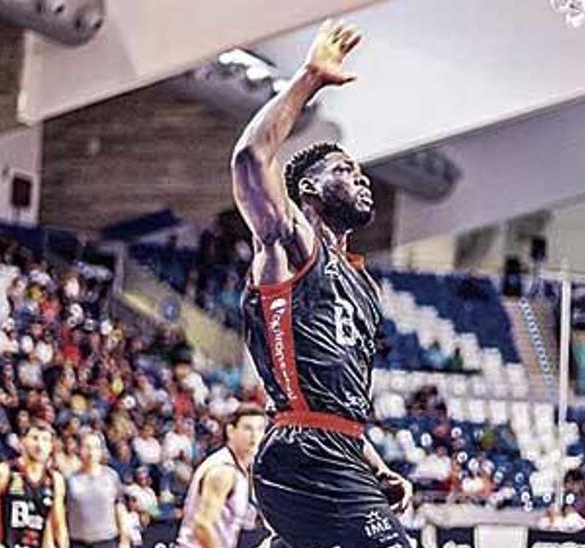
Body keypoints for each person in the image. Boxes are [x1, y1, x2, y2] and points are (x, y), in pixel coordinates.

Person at [231, 19, 412, 548]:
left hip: (338, 452)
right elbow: (250, 160)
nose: (361, 179)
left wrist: (376, 465)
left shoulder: (363, 288)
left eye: (362, 174)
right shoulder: (291, 245)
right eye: (345, 170)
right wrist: (309, 78)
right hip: (304, 454)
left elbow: (339, 401)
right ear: (310, 186)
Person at [175, 405, 267, 548]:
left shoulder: (238, 468)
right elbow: (202, 525)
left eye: (260, 429)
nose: (255, 435)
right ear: (231, 431)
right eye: (248, 428)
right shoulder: (223, 471)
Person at [0, 420, 68, 548]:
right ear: (22, 441)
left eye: (45, 440)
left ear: (51, 447)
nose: (39, 445)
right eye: (35, 438)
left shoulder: (55, 480)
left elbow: (59, 525)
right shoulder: (3, 472)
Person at [66, 432, 133, 548]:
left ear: (101, 451)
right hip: (78, 542)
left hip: (107, 541)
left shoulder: (111, 476)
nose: (91, 452)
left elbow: (120, 507)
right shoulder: (70, 480)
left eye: (96, 447)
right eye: (86, 447)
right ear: (79, 449)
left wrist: (124, 539)